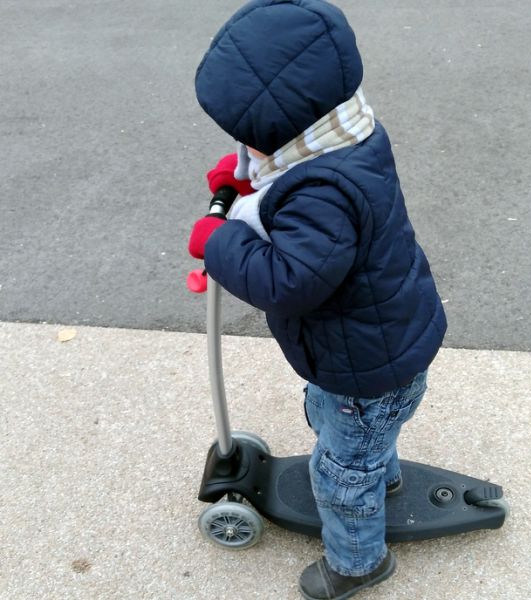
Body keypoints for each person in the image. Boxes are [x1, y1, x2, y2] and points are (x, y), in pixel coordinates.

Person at [188, 1, 447, 598]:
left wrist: (221, 241)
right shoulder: (347, 133)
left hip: (363, 366)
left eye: (250, 137)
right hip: (380, 341)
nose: (243, 143)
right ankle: (376, 477)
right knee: (351, 433)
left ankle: (357, 564)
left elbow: (288, 280)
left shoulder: (322, 190)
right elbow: (292, 183)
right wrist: (250, 176)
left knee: (340, 472)